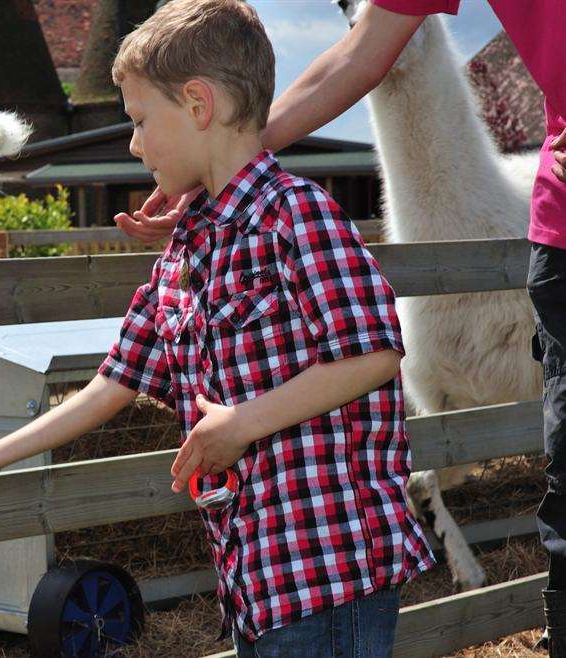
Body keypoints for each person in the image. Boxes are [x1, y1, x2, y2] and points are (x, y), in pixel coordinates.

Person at [0, 1, 434, 655]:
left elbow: (373, 354)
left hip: (329, 575)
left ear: (198, 105)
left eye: (141, 120)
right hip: (257, 580)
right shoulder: (184, 251)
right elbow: (110, 386)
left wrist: (241, 424)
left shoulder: (297, 217)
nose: (133, 143)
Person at [115, 1, 566, 654]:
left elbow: (369, 354)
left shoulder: (300, 222)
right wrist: (217, 160)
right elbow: (362, 53)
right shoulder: (284, 219)